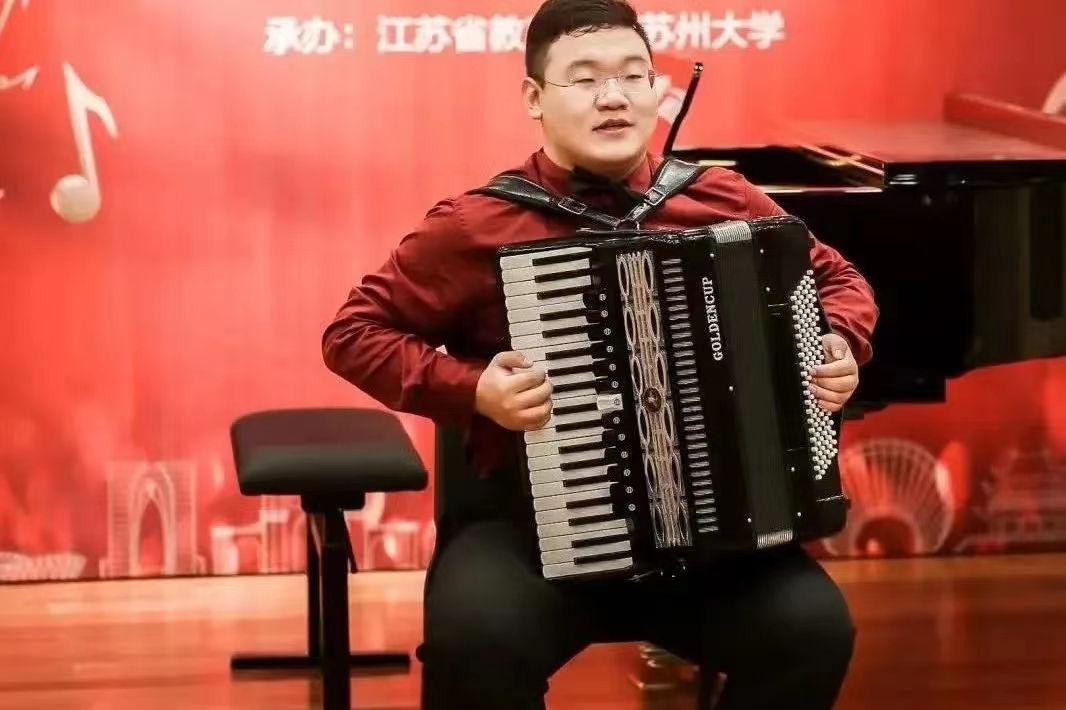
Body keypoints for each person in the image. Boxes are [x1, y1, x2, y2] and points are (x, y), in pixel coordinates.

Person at [322, 0, 879, 706]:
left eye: (632, 76)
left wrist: (838, 339)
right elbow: (353, 333)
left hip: (712, 543)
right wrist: (473, 388)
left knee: (813, 630)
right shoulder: (477, 224)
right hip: (527, 533)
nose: (613, 97)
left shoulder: (722, 198)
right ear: (534, 98)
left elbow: (837, 279)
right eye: (584, 79)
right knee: (475, 644)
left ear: (654, 89)